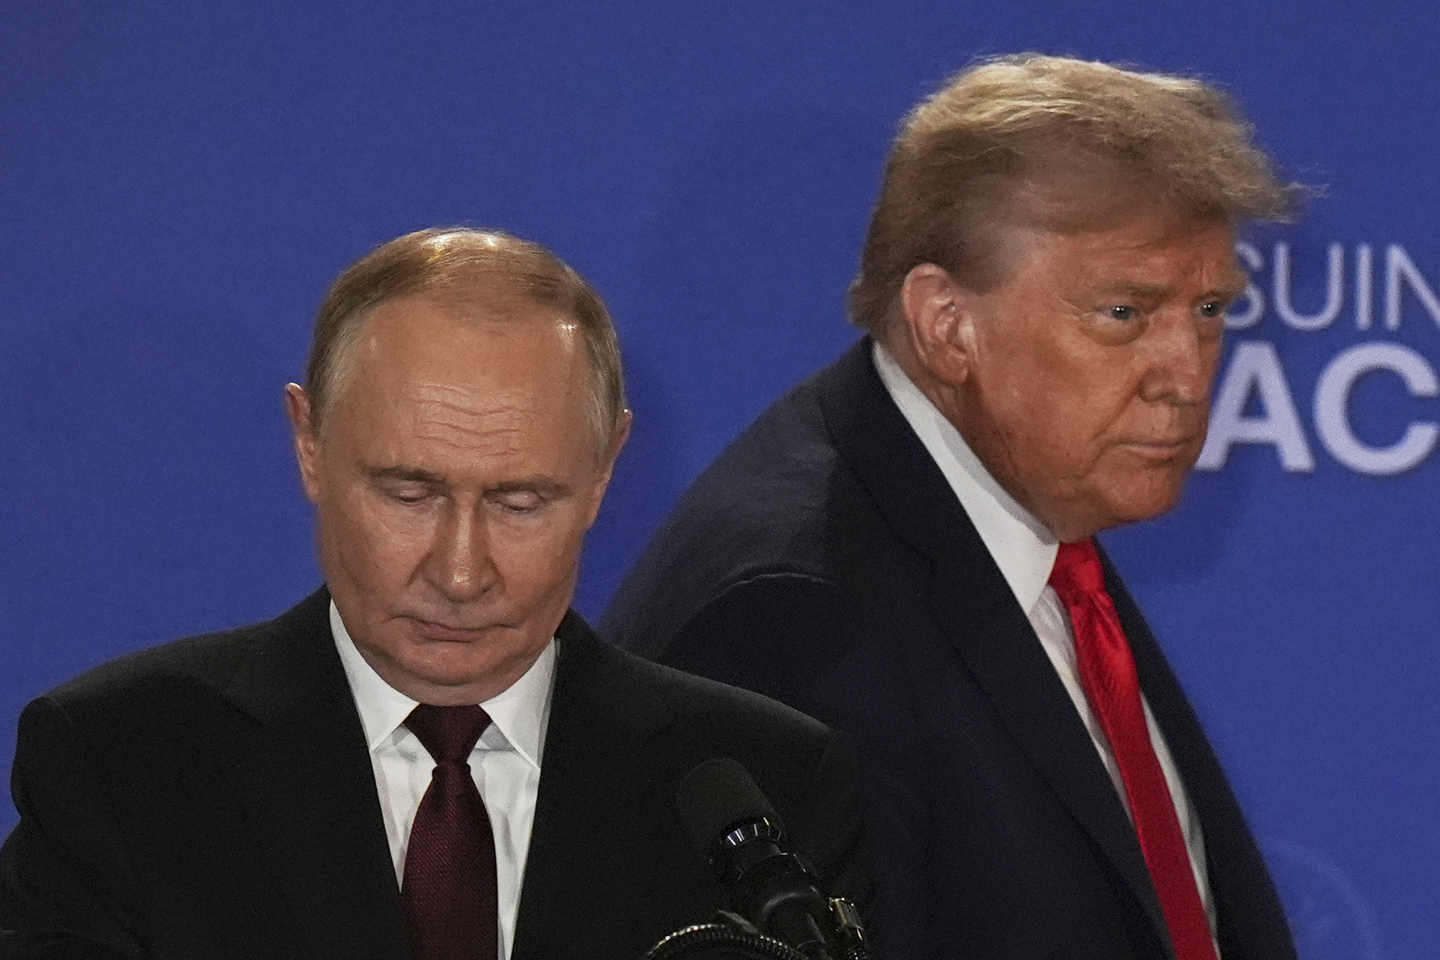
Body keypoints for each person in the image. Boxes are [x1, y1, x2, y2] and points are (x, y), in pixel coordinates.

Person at [0, 228, 866, 960]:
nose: (460, 572)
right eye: (408, 494)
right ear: (310, 444)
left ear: (604, 470)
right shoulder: (122, 769)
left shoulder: (773, 793)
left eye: (520, 501)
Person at [602, 54, 1300, 960]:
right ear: (946, 324)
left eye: (1209, 309)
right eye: (1126, 311)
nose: (1187, 373)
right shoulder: (793, 619)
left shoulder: (1021, 510)